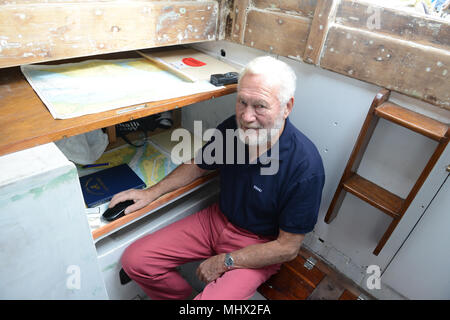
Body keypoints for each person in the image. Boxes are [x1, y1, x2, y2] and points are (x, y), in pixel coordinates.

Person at [109, 56, 325, 300]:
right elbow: (198, 165)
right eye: (242, 102)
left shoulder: (305, 166)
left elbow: (287, 248)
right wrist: (151, 193)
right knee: (136, 261)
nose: (246, 116)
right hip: (215, 221)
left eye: (260, 106)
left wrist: (227, 261)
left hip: (260, 244)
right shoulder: (232, 129)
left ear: (287, 107)